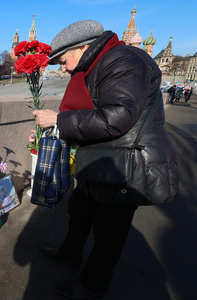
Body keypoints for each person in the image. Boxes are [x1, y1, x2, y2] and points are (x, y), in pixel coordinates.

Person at [32, 20, 178, 299]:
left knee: (109, 233)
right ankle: (70, 252)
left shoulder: (123, 59)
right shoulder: (104, 61)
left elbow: (117, 117)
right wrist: (59, 125)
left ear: (83, 47)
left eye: (64, 60)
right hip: (108, 158)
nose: (63, 68)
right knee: (80, 208)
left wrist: (60, 120)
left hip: (128, 165)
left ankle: (91, 288)